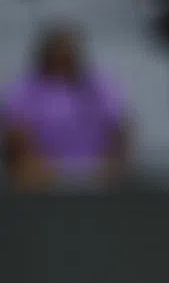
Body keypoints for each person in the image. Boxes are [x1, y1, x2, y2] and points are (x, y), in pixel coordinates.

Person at [2, 27, 129, 191]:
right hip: (40, 171)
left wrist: (113, 166)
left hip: (97, 170)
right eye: (58, 51)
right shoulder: (23, 89)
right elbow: (15, 135)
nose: (63, 57)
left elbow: (119, 129)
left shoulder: (99, 87)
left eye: (68, 51)